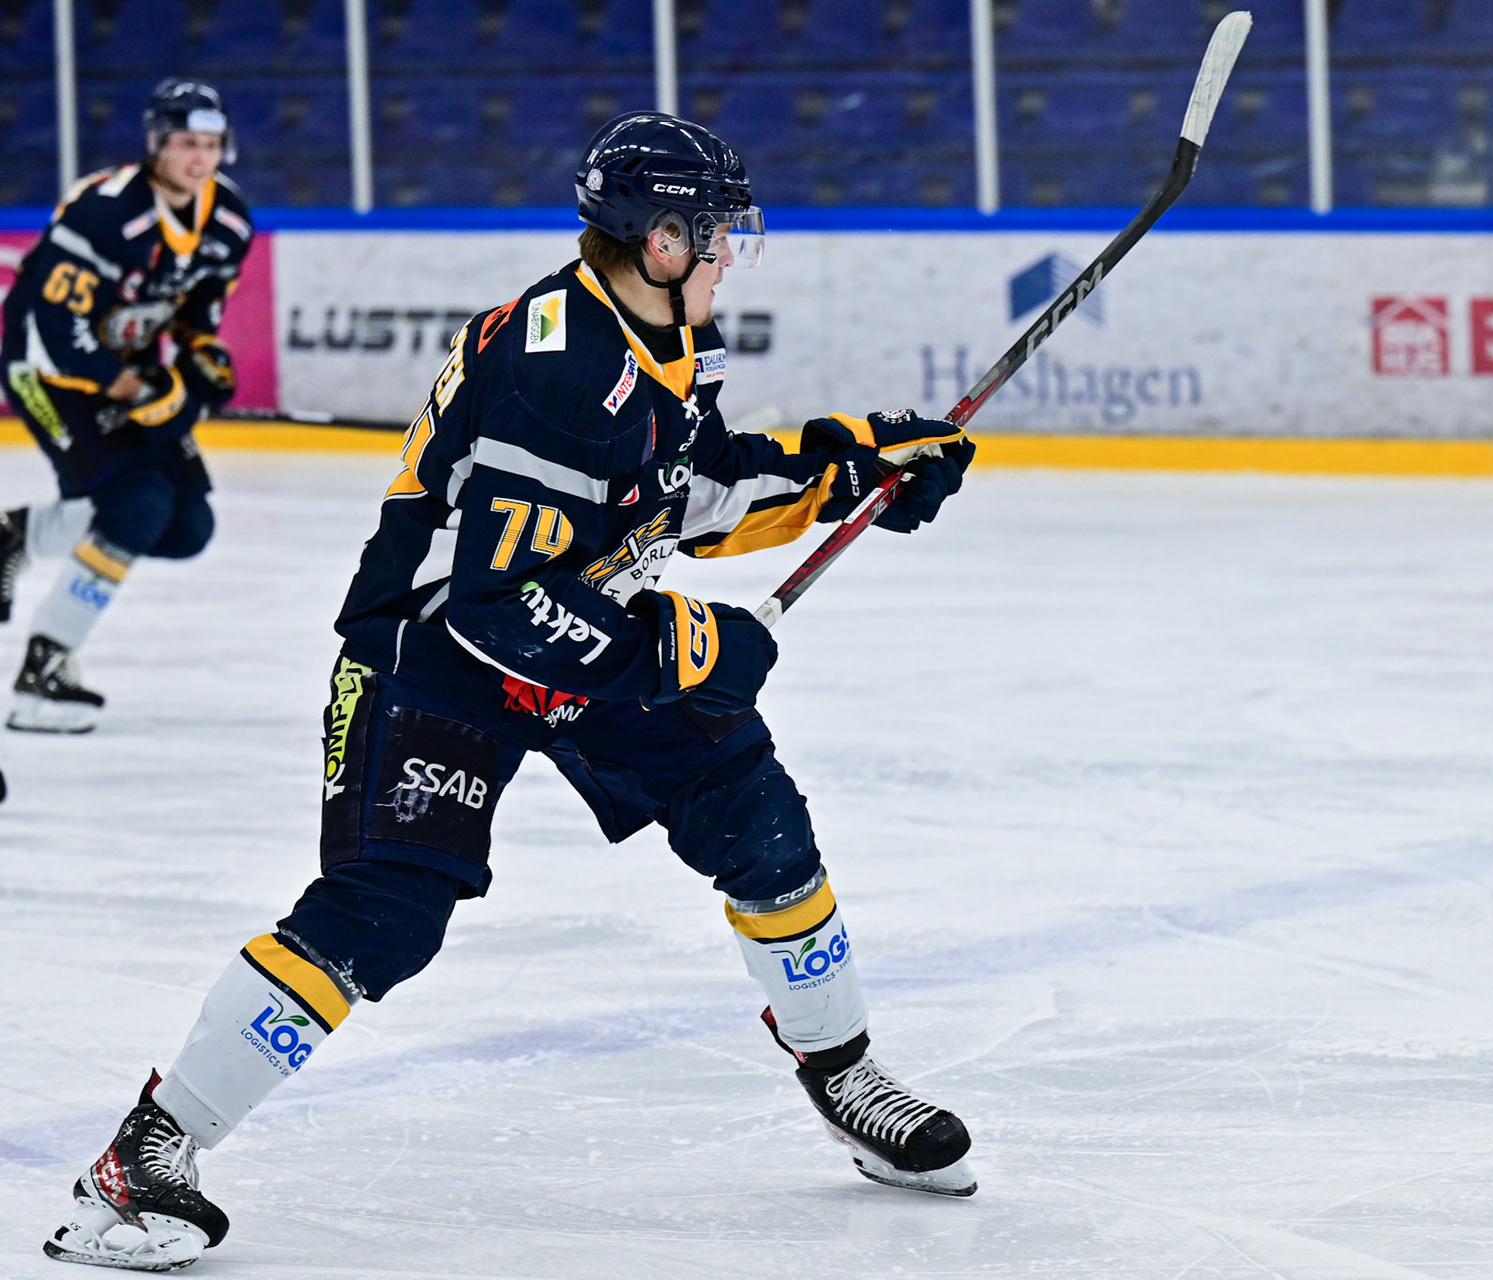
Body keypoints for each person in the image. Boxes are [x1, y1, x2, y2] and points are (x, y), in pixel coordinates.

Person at [42, 111, 977, 1272]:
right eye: (717, 233)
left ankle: (845, 1073)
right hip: (435, 653)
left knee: (759, 816)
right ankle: (146, 1154)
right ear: (660, 239)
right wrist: (684, 647)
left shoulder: (664, 333)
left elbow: (685, 489)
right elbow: (495, 603)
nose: (731, 254)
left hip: (575, 628)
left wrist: (850, 468)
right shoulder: (559, 369)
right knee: (385, 908)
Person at [0, 78, 249, 733]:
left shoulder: (228, 220)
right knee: (136, 505)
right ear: (157, 144)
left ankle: (16, 535)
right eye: (186, 143)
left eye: (211, 144)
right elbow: (58, 328)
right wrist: (142, 393)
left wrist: (201, 355)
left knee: (186, 525)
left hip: (123, 370)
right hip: (43, 371)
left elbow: (198, 310)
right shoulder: (107, 211)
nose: (199, 158)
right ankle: (42, 671)